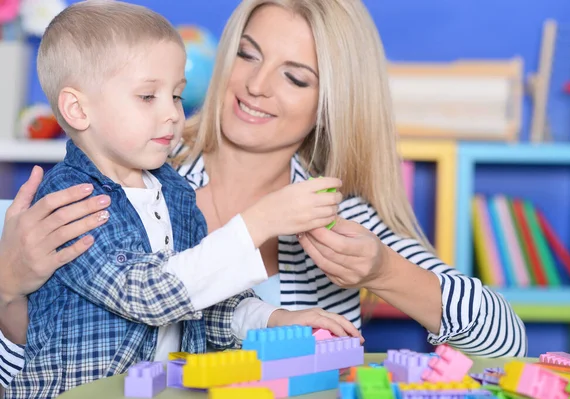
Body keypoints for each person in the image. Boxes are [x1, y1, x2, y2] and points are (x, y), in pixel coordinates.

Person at [1, 0, 527, 393]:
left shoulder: (339, 218)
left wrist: (384, 271)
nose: (256, 85)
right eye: (247, 55)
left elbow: (507, 344)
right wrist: (5, 289)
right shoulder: (126, 184)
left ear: (330, 104)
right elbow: (39, 372)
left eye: (295, 78)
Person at [4, 2, 359, 398]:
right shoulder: (73, 201)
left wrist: (272, 318)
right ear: (78, 108)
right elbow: (148, 295)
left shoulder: (173, 192)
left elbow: (201, 304)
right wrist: (257, 223)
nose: (173, 114)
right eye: (146, 96)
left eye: (175, 96)